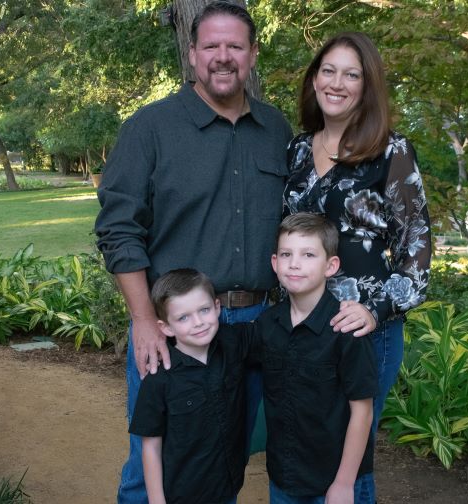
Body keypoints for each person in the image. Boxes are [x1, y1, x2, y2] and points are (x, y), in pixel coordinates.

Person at [94, 2, 293, 502]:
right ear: (192, 53)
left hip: (251, 333)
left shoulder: (276, 131)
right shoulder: (150, 127)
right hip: (174, 331)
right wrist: (143, 319)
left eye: (235, 46)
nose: (222, 57)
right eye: (211, 46)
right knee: (152, 463)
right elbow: (118, 229)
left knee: (225, 463)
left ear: (252, 54)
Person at [282, 32, 431, 502]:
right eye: (328, 70)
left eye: (352, 74)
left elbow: (418, 253)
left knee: (349, 459)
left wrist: (376, 310)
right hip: (303, 328)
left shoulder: (391, 151)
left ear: (367, 87)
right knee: (305, 445)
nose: (338, 83)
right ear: (314, 78)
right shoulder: (298, 151)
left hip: (363, 332)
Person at [252, 213, 377, 504]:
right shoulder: (267, 325)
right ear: (275, 263)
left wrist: (344, 484)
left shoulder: (347, 330)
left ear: (330, 266)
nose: (294, 263)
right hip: (283, 478)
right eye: (286, 254)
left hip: (333, 482)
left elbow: (363, 412)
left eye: (308, 254)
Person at [129, 268, 256, 504]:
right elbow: (151, 447)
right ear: (166, 327)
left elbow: (281, 325)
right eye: (183, 317)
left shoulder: (233, 342)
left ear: (217, 307)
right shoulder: (159, 378)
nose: (198, 323)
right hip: (183, 494)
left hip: (227, 487)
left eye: (204, 310)